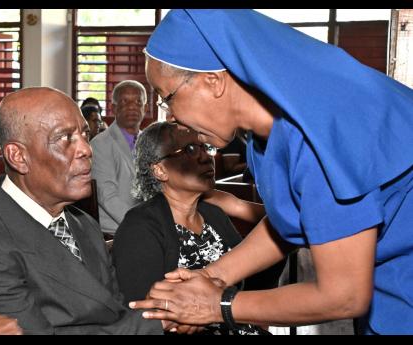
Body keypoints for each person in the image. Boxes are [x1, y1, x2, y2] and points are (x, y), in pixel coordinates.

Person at [128, 10, 413, 335]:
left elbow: (344, 294)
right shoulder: (266, 133)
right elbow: (292, 221)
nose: (172, 118)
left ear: (213, 81)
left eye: (168, 99)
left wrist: (217, 305)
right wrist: (210, 277)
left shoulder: (318, 131)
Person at [0, 87, 163, 335]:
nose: (86, 149)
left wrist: (157, 310)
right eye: (65, 138)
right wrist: (156, 322)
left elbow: (114, 312)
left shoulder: (82, 222)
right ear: (18, 156)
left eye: (84, 134)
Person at [113, 121, 274, 335]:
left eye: (205, 147)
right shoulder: (140, 227)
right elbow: (145, 318)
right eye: (189, 150)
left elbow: (252, 273)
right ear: (160, 170)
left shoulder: (213, 215)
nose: (206, 157)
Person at [91, 80, 148, 236]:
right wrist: (142, 225)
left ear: (145, 108)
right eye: (124, 101)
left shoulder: (149, 142)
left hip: (147, 226)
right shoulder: (100, 144)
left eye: (138, 102)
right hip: (116, 231)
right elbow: (107, 196)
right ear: (113, 108)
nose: (132, 107)